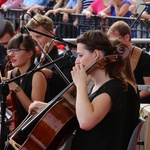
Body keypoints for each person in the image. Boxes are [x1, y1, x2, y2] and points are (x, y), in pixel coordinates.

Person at [28, 30, 140, 150]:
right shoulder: (98, 85)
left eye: (81, 55)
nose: (77, 61)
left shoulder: (112, 88)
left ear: (96, 54)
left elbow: (86, 122)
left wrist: (81, 84)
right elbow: (81, 112)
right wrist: (47, 108)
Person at [1, 33, 48, 145]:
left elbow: (34, 112)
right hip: (13, 129)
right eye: (9, 51)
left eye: (16, 51)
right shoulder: (10, 74)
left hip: (30, 134)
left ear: (29, 53)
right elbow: (10, 107)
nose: (11, 55)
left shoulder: (37, 75)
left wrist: (16, 88)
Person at [26, 13, 75, 102]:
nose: (35, 41)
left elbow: (71, 86)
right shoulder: (34, 58)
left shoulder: (65, 58)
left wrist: (51, 75)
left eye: (38, 36)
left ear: (51, 33)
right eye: (32, 38)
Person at [107, 20, 150, 103]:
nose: (113, 45)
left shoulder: (144, 58)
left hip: (138, 103)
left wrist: (131, 100)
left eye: (116, 41)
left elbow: (148, 88)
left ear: (127, 37)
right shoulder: (113, 56)